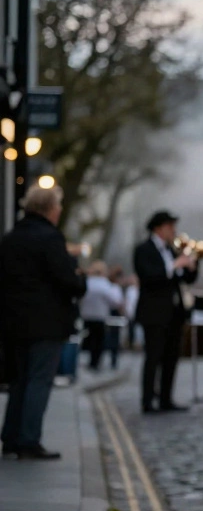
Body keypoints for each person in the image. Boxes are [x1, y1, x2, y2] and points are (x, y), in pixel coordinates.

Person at [0, 187, 86, 460]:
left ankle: (11, 437)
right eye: (58, 206)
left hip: (13, 322)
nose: (60, 210)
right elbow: (67, 280)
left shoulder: (11, 238)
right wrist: (80, 278)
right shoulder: (50, 238)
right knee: (39, 380)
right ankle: (29, 439)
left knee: (19, 380)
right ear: (50, 208)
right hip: (46, 322)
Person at [133, 210, 200, 413]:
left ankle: (165, 398)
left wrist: (191, 266)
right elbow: (149, 277)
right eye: (170, 227)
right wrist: (174, 265)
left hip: (174, 312)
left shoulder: (171, 251)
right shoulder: (144, 250)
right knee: (153, 356)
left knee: (172, 356)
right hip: (153, 312)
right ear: (158, 228)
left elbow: (184, 280)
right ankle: (147, 400)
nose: (174, 231)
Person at [79, 261, 123, 372]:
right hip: (99, 316)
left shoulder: (86, 282)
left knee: (87, 340)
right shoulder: (104, 284)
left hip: (86, 315)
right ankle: (95, 363)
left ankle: (87, 362)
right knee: (98, 342)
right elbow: (116, 301)